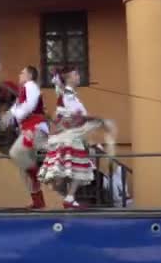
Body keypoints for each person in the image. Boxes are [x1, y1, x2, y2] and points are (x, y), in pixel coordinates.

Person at [37, 67, 117, 209]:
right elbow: (77, 117)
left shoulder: (70, 95)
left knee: (79, 169)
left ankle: (68, 198)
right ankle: (57, 196)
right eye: (76, 74)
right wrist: (99, 119)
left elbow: (77, 119)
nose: (78, 76)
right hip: (67, 138)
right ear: (68, 78)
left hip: (72, 137)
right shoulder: (67, 95)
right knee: (65, 172)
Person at [2, 66, 49, 209]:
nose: (19, 74)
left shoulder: (30, 85)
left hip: (35, 129)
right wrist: (7, 118)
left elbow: (28, 106)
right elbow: (16, 110)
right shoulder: (23, 93)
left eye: (22, 72)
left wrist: (14, 116)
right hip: (29, 129)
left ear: (29, 75)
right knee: (23, 169)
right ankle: (38, 200)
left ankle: (38, 172)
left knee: (16, 153)